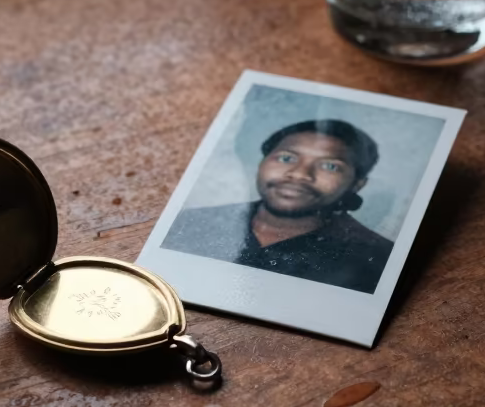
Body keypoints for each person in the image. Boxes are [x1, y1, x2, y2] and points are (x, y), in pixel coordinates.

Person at [162, 119, 392, 293]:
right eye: (286, 158)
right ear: (262, 163)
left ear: (357, 184)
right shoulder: (187, 223)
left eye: (330, 166)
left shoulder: (378, 261)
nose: (300, 174)